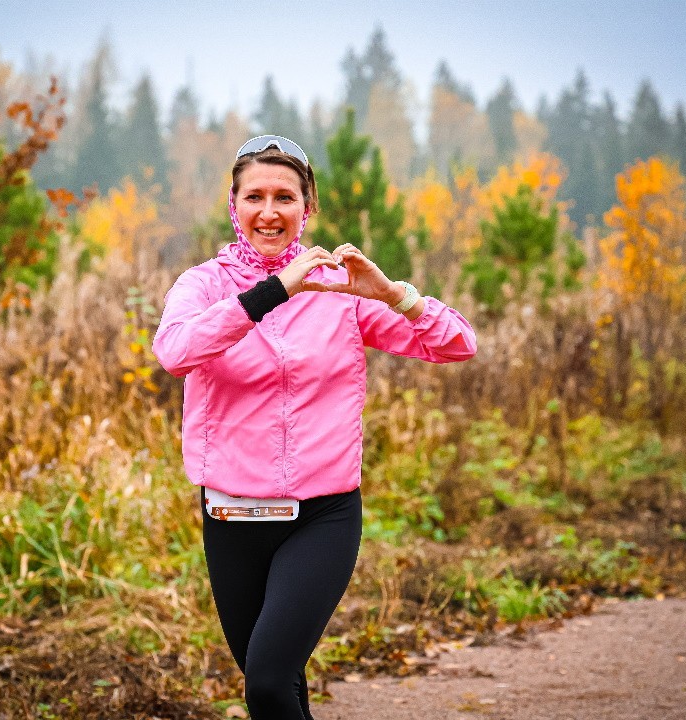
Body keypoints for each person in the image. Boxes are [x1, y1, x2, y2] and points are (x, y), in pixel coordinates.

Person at [152, 135, 476, 719]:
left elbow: (457, 344)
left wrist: (393, 295)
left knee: (268, 682)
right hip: (233, 515)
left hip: (323, 515)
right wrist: (273, 292)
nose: (269, 211)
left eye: (285, 197)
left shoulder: (338, 288)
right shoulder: (203, 284)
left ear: (308, 207)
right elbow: (175, 352)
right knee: (277, 687)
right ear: (234, 205)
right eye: (254, 196)